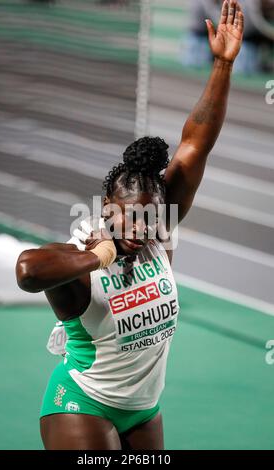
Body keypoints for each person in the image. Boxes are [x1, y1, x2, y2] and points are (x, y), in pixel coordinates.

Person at [16, 1, 244, 450]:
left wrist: (221, 64)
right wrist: (101, 254)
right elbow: (27, 270)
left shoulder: (159, 232)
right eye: (129, 214)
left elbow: (195, 143)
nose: (140, 226)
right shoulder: (82, 252)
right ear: (106, 207)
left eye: (150, 215)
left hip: (145, 409)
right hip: (82, 403)